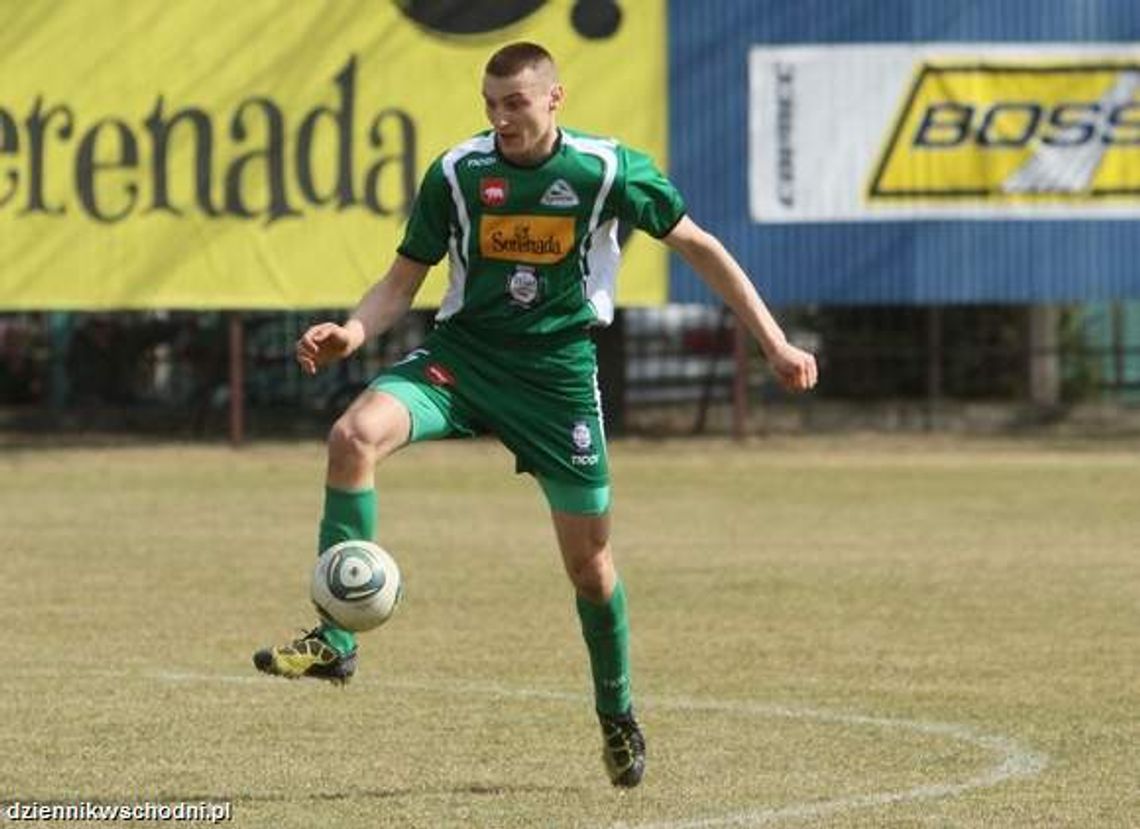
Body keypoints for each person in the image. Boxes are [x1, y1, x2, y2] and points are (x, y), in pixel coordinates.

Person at [253, 41, 817, 788]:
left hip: (556, 380)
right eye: (489, 104)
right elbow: (401, 281)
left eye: (514, 103)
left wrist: (773, 342)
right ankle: (337, 640)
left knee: (590, 569)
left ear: (555, 99)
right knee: (352, 436)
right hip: (465, 361)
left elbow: (699, 245)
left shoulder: (607, 169)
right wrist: (352, 332)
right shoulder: (458, 173)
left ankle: (616, 715)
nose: (499, 118)